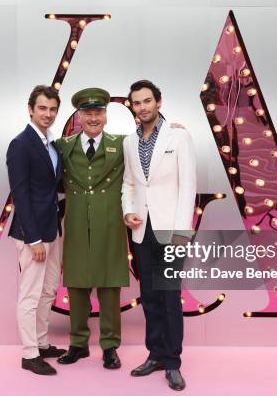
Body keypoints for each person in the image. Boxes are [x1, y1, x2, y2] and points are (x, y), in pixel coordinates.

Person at [122, 80, 197, 391]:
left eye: (147, 101)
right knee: (150, 297)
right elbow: (129, 183)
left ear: (159, 102)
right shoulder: (129, 142)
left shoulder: (179, 136)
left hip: (170, 232)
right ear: (132, 107)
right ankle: (154, 354)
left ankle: (172, 362)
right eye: (137, 103)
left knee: (169, 297)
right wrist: (127, 211)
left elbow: (188, 185)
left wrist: (181, 231)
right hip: (141, 231)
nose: (143, 107)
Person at [55, 88, 129, 370]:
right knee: (76, 284)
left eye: (98, 112)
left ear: (106, 116)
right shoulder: (63, 145)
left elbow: (152, 144)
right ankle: (78, 344)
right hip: (75, 224)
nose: (93, 117)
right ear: (79, 116)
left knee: (110, 286)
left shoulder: (122, 144)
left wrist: (171, 131)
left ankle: (110, 346)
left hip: (110, 225)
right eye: (87, 112)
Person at [6, 85, 66, 376]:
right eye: (42, 108)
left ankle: (41, 343)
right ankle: (30, 355)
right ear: (31, 109)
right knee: (30, 295)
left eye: (53, 109)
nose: (48, 114)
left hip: (53, 228)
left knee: (48, 290)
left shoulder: (51, 143)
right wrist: (33, 239)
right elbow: (21, 195)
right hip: (33, 235)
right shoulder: (21, 144)